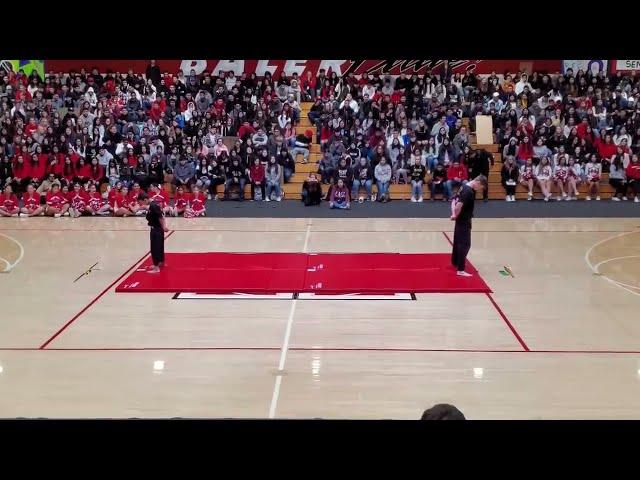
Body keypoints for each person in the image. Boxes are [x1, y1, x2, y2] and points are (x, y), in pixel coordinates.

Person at [450, 175, 487, 277]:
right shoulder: (469, 191)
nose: (479, 189)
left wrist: (454, 214)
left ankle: (455, 262)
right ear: (478, 183)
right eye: (480, 187)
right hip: (464, 220)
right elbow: (458, 205)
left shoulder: (463, 186)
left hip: (460, 219)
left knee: (458, 241)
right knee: (465, 244)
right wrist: (455, 214)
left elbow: (454, 200)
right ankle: (460, 269)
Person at [138, 192, 168, 274]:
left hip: (156, 229)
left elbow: (161, 217)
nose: (141, 204)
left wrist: (164, 227)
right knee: (160, 246)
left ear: (145, 200)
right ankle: (161, 262)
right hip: (156, 229)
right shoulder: (153, 205)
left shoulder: (153, 206)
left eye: (141, 202)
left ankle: (156, 267)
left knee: (155, 248)